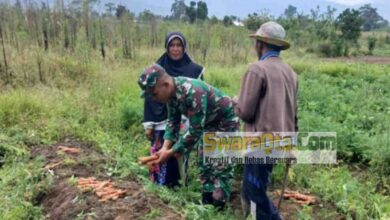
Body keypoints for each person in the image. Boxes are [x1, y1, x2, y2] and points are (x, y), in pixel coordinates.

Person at [138, 64, 239, 209]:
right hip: (208, 123)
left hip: (226, 122)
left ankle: (218, 209)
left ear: (165, 85)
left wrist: (172, 152)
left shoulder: (193, 92)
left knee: (220, 165)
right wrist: (165, 148)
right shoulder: (171, 96)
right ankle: (207, 204)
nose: (154, 99)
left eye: (154, 94)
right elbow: (173, 122)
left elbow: (195, 130)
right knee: (205, 163)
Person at [233, 21, 298, 220]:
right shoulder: (291, 73)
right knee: (254, 187)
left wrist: (235, 102)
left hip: (260, 143)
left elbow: (245, 112)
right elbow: (293, 113)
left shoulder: (257, 69)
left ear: (260, 44)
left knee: (255, 192)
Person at [143, 32, 204, 187]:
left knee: (179, 155)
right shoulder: (157, 69)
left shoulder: (195, 71)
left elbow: (197, 119)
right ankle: (160, 187)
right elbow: (150, 98)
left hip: (188, 120)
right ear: (167, 47)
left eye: (179, 45)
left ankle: (179, 186)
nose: (175, 49)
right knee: (160, 152)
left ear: (184, 48)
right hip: (161, 120)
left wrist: (169, 151)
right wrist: (149, 124)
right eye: (172, 45)